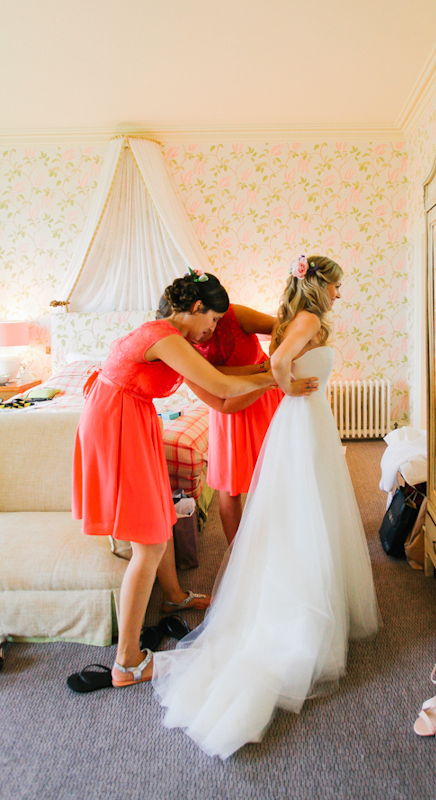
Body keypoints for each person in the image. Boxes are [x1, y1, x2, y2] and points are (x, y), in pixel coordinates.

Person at [152, 254, 381, 758]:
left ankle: (280, 556)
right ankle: (257, 559)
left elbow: (278, 336)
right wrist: (283, 379)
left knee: (296, 492)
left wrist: (283, 371)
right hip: (240, 404)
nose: (340, 294)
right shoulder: (188, 345)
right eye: (337, 286)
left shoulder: (251, 316)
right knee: (251, 487)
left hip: (280, 407)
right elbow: (262, 371)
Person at [69, 270, 318, 690]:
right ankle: (127, 662)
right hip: (117, 422)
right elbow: (220, 385)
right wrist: (276, 378)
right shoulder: (163, 337)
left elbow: (221, 396)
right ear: (197, 308)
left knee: (158, 514)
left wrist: (272, 378)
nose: (215, 330)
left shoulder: (179, 343)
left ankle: (172, 595)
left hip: (136, 417)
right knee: (147, 539)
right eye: (214, 320)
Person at [156, 293, 283, 544]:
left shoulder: (235, 315)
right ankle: (235, 552)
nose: (211, 328)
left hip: (264, 394)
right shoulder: (180, 343)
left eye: (216, 320)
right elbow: (212, 377)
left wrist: (274, 362)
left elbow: (279, 325)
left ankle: (276, 543)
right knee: (229, 483)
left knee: (274, 472)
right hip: (228, 406)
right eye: (211, 321)